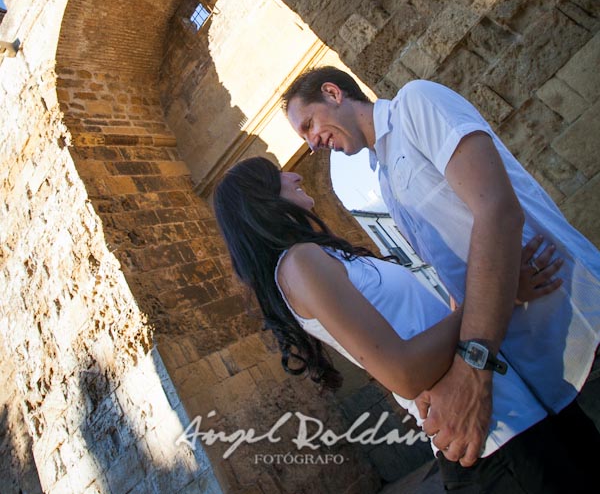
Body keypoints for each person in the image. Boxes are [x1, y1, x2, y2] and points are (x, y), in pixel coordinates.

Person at [282, 67, 600, 482]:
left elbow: (498, 211)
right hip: (530, 362)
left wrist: (474, 367)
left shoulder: (416, 105)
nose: (312, 142)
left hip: (573, 318)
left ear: (332, 93)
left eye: (309, 125)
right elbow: (450, 276)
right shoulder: (386, 181)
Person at [213, 157, 591, 493]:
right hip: (495, 440)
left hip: (512, 409)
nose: (293, 175)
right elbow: (405, 373)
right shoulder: (299, 263)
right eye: (277, 175)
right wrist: (498, 294)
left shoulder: (321, 255)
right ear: (260, 198)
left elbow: (422, 321)